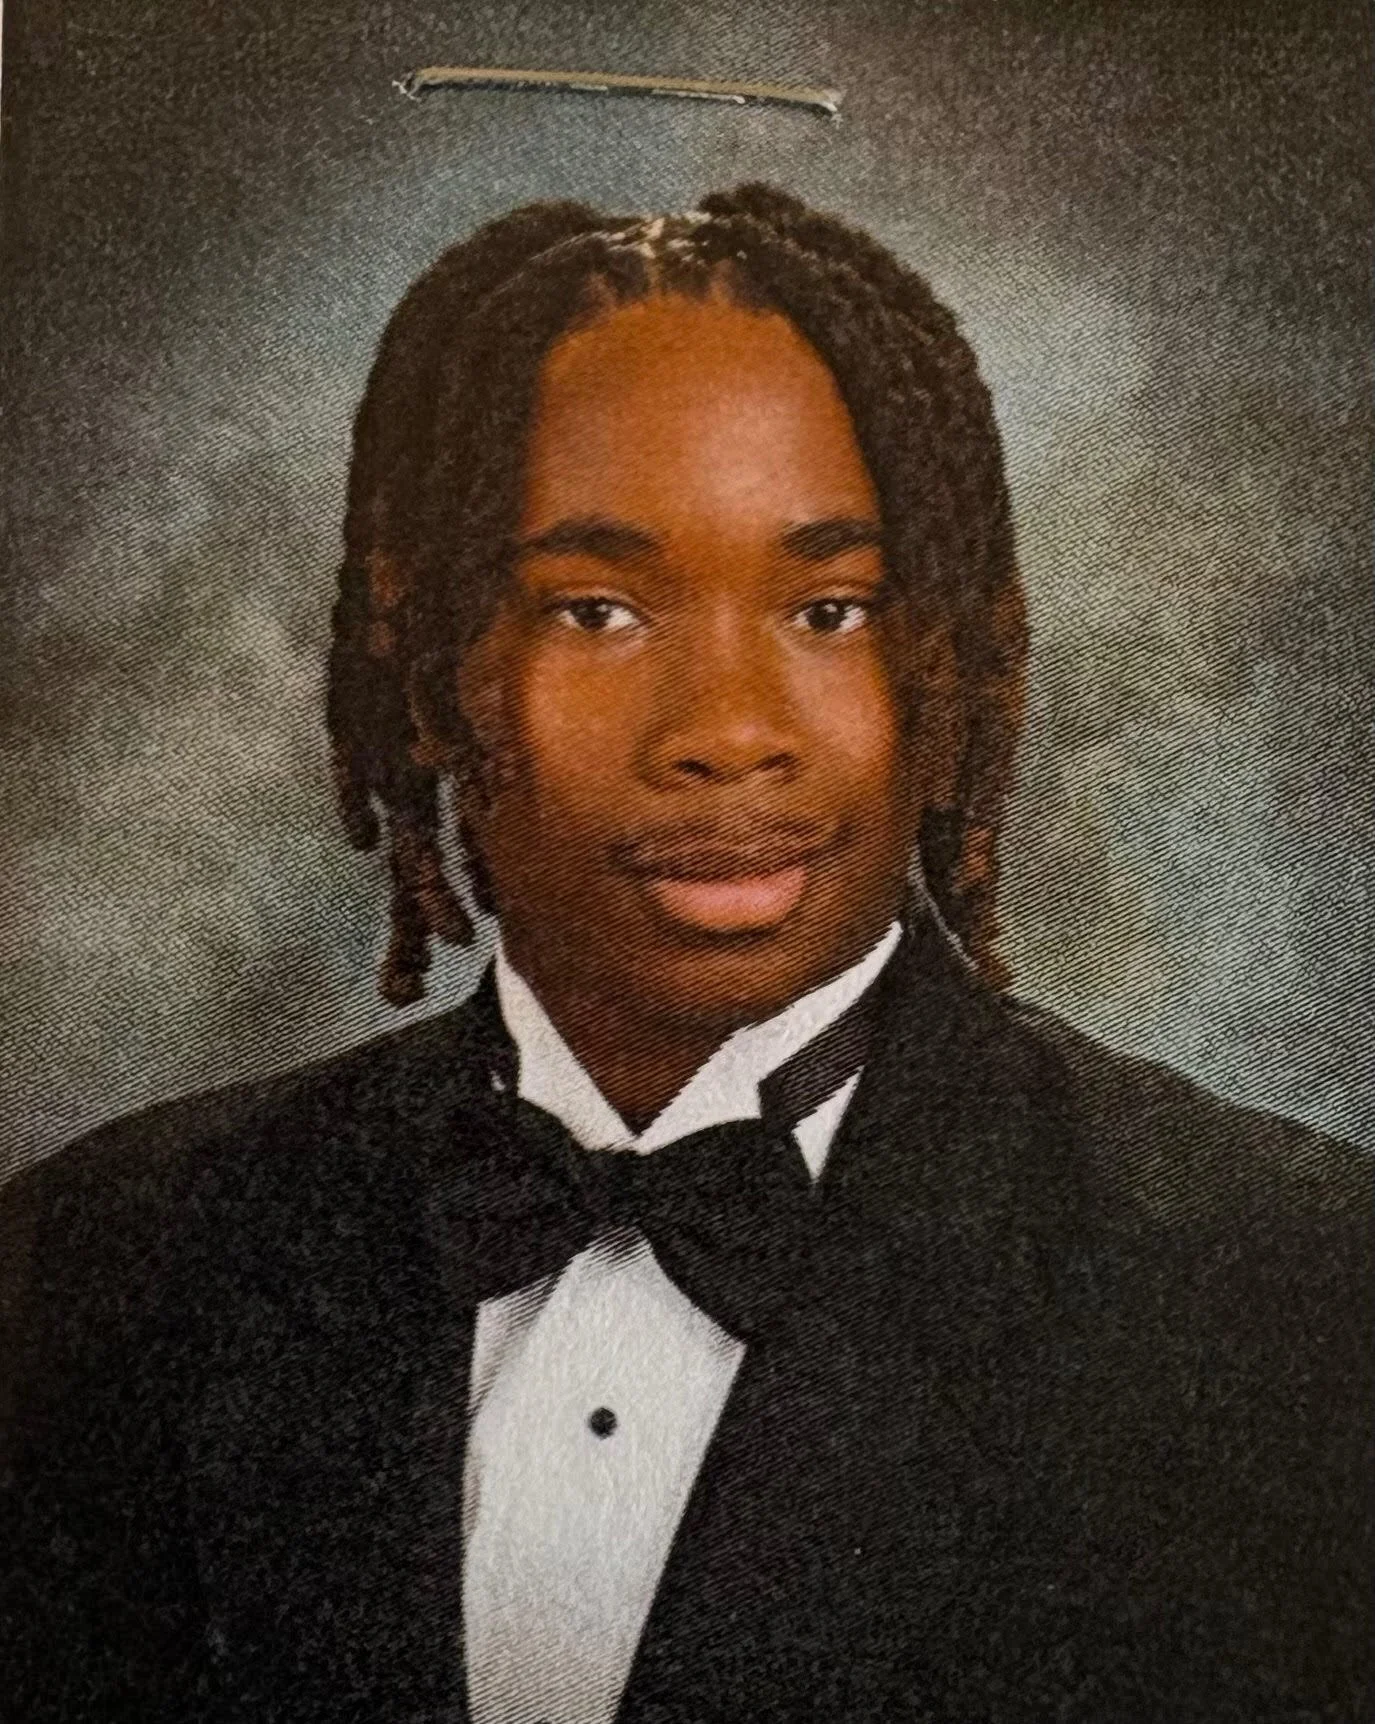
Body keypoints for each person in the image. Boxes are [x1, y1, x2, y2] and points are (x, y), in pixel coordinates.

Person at [1, 183, 1369, 1723]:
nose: (726, 730)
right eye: (597, 611)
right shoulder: (96, 1268)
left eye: (828, 610)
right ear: (432, 668)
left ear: (943, 667)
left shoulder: (1298, 1297)